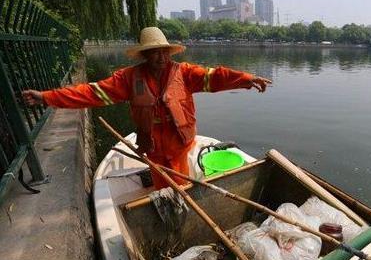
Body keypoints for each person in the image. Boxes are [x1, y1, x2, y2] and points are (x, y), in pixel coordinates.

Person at [22, 27, 272, 189]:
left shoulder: (184, 73)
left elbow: (215, 76)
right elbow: (92, 92)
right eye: (154, 53)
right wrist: (47, 97)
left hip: (178, 144)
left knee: (181, 186)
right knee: (163, 187)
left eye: (164, 52)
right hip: (151, 146)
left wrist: (246, 79)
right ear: (145, 55)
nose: (161, 58)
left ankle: (180, 195)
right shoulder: (128, 79)